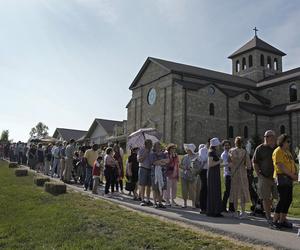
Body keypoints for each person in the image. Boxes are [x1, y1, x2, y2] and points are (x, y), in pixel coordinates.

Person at [271, 134, 298, 229]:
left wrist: (295, 174)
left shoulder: (288, 152)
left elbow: (293, 164)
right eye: (288, 142)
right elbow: (280, 166)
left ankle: (282, 220)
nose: (289, 144)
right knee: (282, 199)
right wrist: (291, 175)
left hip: (289, 178)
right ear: (282, 142)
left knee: (288, 199)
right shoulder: (278, 151)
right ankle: (274, 221)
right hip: (281, 178)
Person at [252, 130, 277, 223]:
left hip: (276, 177)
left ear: (273, 137)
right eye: (265, 136)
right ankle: (268, 216)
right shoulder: (260, 148)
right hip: (264, 177)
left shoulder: (278, 147)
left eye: (268, 136)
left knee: (277, 197)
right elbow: (254, 162)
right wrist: (258, 174)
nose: (265, 138)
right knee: (266, 198)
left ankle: (278, 215)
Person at [229, 136, 251, 219]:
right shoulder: (245, 152)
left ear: (235, 142)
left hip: (234, 173)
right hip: (242, 173)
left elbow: (229, 162)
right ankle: (243, 211)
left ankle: (235, 212)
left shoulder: (231, 151)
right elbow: (249, 165)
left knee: (235, 192)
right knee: (242, 192)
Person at [206, 138, 223, 217]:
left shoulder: (214, 152)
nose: (219, 146)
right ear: (215, 145)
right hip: (212, 174)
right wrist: (220, 161)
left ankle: (216, 210)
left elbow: (215, 164)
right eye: (218, 144)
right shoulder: (211, 152)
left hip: (215, 173)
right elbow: (210, 164)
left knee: (216, 191)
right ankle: (212, 211)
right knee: (213, 191)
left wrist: (224, 164)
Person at [150, 142, 169, 208]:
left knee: (162, 187)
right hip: (154, 173)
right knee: (155, 188)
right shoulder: (152, 154)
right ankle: (155, 202)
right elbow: (154, 162)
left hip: (163, 173)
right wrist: (162, 162)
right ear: (154, 147)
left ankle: (160, 203)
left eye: (159, 146)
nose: (158, 147)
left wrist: (161, 161)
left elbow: (167, 161)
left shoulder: (164, 154)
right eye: (157, 146)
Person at [180, 144, 197, 208]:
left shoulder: (196, 156)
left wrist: (192, 168)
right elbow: (180, 165)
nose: (187, 150)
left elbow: (198, 166)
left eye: (188, 149)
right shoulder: (185, 156)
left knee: (192, 190)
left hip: (192, 176)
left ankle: (193, 204)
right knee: (184, 190)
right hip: (184, 175)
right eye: (187, 149)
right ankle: (184, 203)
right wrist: (184, 167)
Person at [137, 139, 153, 206]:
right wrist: (146, 153)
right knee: (142, 185)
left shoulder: (152, 151)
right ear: (146, 144)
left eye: (151, 144)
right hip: (143, 168)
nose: (151, 145)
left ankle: (148, 200)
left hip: (150, 169)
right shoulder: (141, 150)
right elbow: (139, 160)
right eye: (150, 144)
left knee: (149, 186)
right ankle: (143, 199)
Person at [221, 140, 235, 213]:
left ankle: (231, 207)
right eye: (225, 145)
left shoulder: (231, 153)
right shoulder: (224, 154)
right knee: (227, 191)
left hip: (233, 174)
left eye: (228, 145)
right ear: (223, 147)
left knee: (232, 191)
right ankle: (223, 207)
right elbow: (227, 163)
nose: (227, 147)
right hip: (227, 174)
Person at [198, 139, 210, 213]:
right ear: (207, 143)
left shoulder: (211, 150)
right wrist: (210, 157)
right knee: (204, 187)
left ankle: (208, 205)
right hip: (203, 170)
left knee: (208, 188)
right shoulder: (203, 150)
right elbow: (203, 159)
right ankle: (202, 207)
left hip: (210, 170)